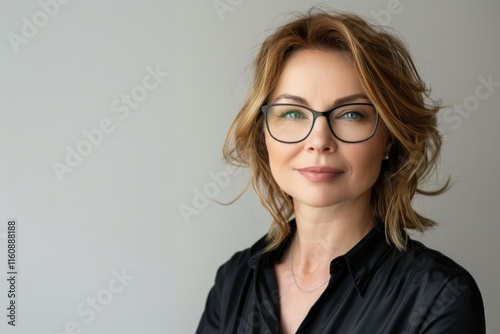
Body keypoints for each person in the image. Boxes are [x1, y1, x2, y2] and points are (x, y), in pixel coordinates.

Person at [196, 9, 485, 334]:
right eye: (292, 114)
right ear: (264, 134)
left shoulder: (439, 297)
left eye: (350, 115)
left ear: (388, 138)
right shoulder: (233, 282)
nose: (319, 141)